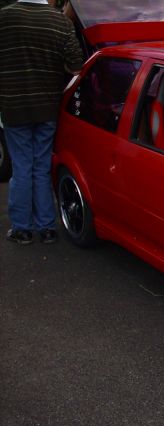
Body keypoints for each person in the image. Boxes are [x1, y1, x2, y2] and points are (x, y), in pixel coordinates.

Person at [0, 0, 83, 245]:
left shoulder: (4, 18)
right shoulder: (59, 21)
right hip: (48, 107)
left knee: (22, 166)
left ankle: (22, 229)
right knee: (42, 166)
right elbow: (76, 64)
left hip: (13, 107)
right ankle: (47, 228)